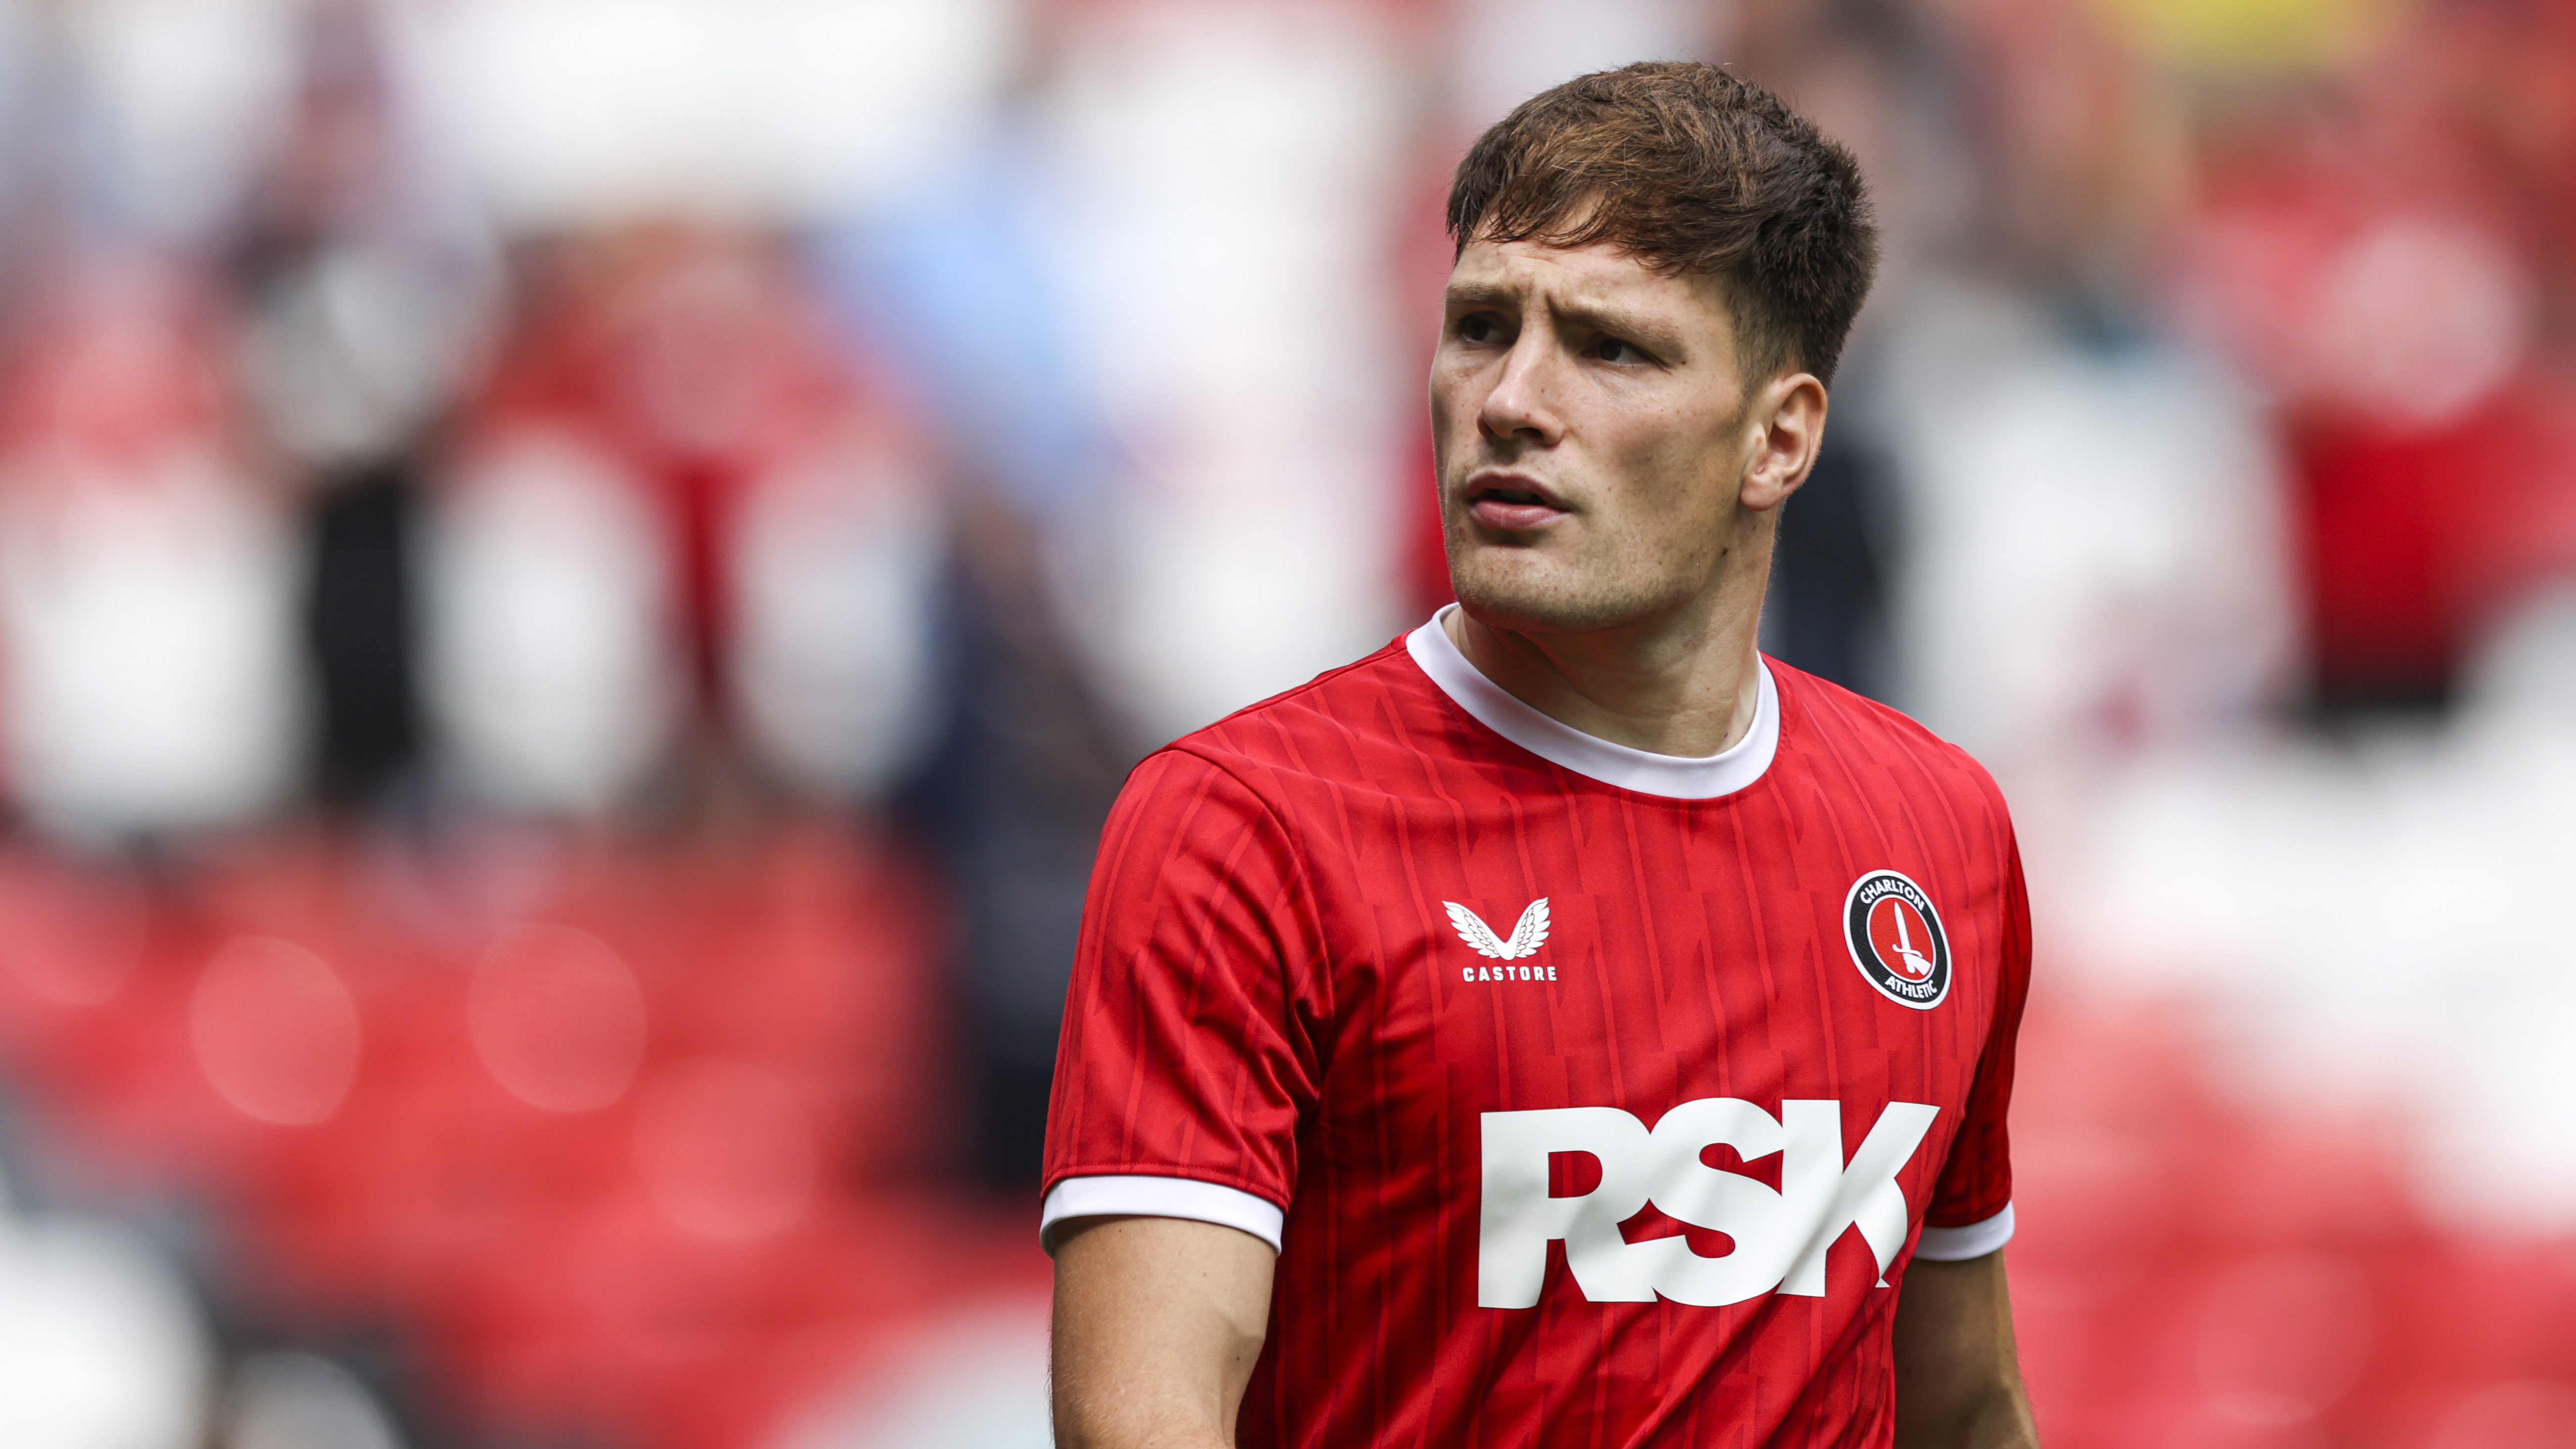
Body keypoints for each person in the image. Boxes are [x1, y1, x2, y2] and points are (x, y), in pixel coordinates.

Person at [1042, 62, 2040, 1449]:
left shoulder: (1937, 831)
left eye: (1609, 347)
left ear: (1780, 436)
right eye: (1479, 326)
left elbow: (1966, 1402)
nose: (1510, 398)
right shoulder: (1242, 827)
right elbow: (1137, 1421)